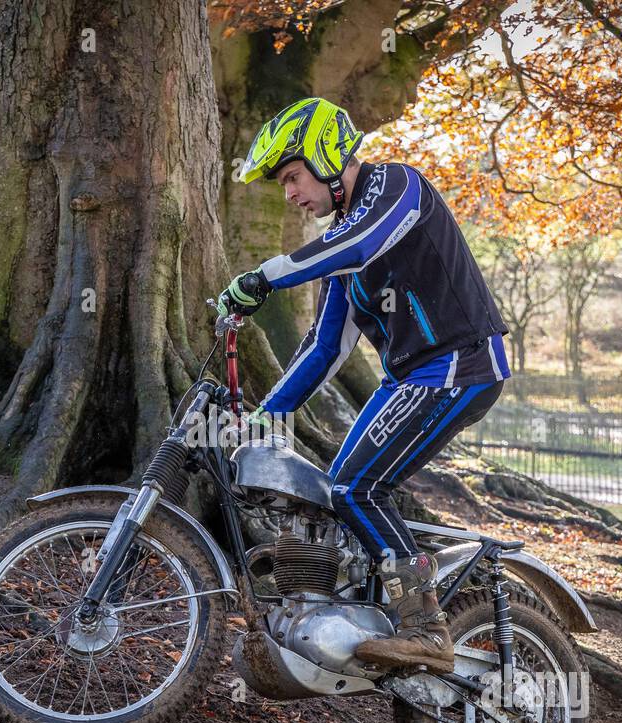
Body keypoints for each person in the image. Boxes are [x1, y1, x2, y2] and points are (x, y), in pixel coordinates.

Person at [215, 96, 511, 671]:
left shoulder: (399, 187)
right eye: (283, 185)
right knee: (337, 490)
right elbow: (325, 348)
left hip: (461, 365)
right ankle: (363, 607)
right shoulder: (345, 247)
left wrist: (266, 277)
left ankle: (425, 628)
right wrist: (264, 417)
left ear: (327, 156)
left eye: (293, 176)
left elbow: (358, 245)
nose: (291, 193)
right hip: (409, 378)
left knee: (356, 488)